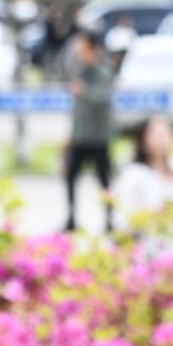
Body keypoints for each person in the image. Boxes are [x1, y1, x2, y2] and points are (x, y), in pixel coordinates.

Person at [63, 28, 115, 233]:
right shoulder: (79, 71)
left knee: (104, 180)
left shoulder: (103, 71)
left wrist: (84, 92)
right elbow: (77, 111)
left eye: (82, 48)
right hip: (80, 137)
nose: (78, 52)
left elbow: (104, 97)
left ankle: (110, 221)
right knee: (70, 177)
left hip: (99, 137)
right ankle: (71, 219)